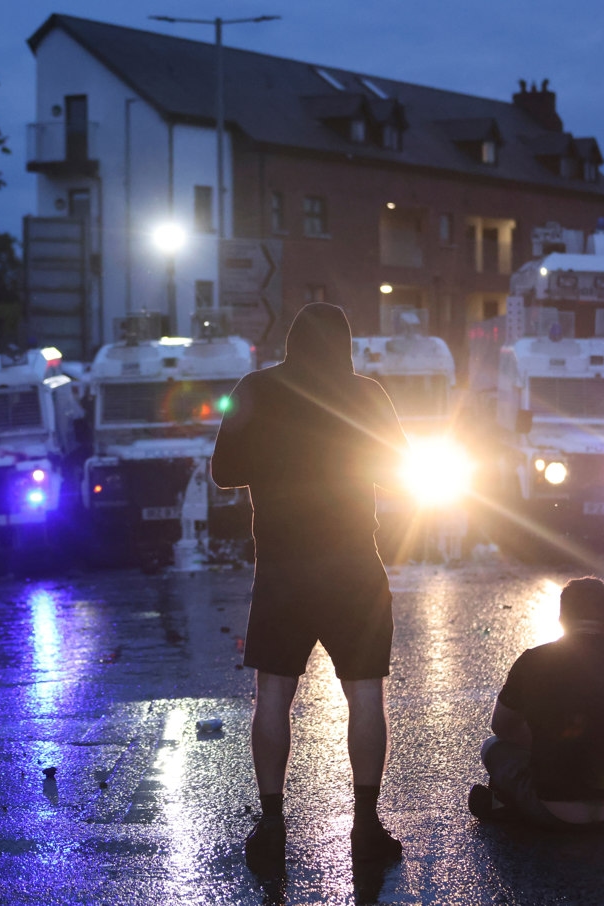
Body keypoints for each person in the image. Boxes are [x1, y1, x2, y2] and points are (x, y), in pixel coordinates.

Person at [211, 303, 410, 869]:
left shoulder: (256, 387)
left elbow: (224, 471)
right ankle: (366, 826)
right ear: (344, 345)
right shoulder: (368, 394)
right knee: (366, 695)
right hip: (354, 565)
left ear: (291, 342)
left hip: (282, 569)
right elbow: (400, 467)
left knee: (273, 697)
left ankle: (272, 825)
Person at [469, 576, 604, 831]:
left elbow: (502, 727)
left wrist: (550, 742)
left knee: (493, 748)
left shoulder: (532, 661)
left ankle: (511, 806)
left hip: (552, 811)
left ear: (561, 619)